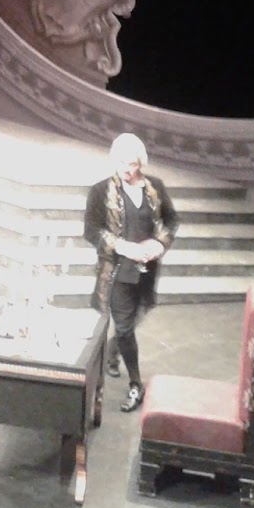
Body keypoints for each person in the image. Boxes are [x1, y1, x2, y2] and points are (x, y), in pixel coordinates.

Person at [82, 132, 179, 413]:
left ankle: (113, 352)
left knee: (135, 318)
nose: (127, 169)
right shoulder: (100, 191)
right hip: (117, 272)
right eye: (122, 163)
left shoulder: (155, 187)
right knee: (124, 326)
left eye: (133, 164)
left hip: (146, 270)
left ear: (141, 163)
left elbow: (171, 220)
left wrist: (159, 244)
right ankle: (136, 383)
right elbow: (91, 230)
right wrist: (123, 246)